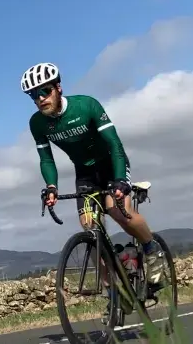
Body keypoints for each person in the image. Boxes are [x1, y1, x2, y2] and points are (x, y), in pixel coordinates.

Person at [21, 62, 167, 295]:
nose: (40, 99)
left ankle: (151, 249)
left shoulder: (86, 105)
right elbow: (46, 159)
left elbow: (114, 143)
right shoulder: (37, 123)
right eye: (33, 95)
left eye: (44, 91)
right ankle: (113, 291)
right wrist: (51, 186)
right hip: (85, 173)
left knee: (118, 212)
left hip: (111, 164)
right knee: (90, 227)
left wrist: (120, 179)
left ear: (58, 87)